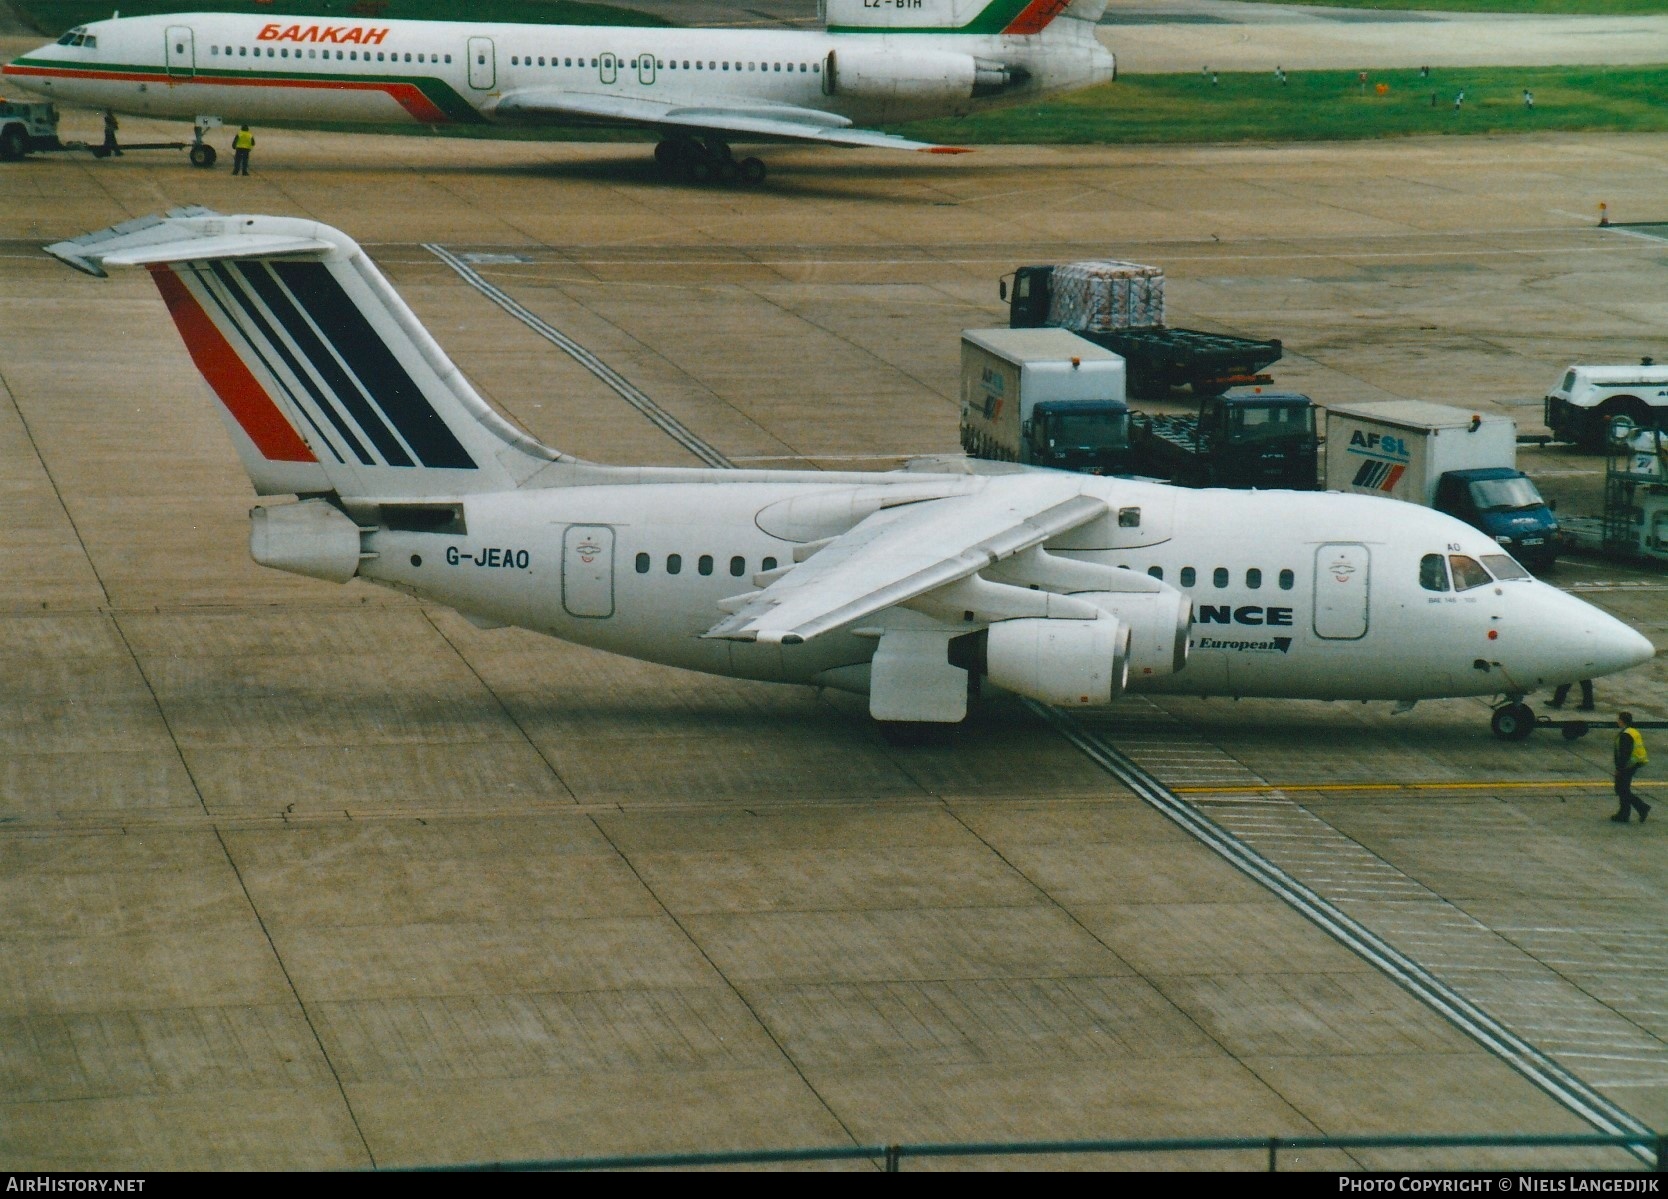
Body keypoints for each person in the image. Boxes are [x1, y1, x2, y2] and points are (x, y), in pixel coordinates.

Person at [1612, 712, 1650, 824]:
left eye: (1618, 719)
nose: (1617, 721)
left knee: (1621, 788)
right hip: (1633, 764)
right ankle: (1625, 813)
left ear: (1622, 721)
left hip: (1628, 765)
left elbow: (1625, 753)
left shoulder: (1626, 735)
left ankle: (1640, 808)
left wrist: (1619, 768)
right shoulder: (1632, 731)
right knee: (1623, 788)